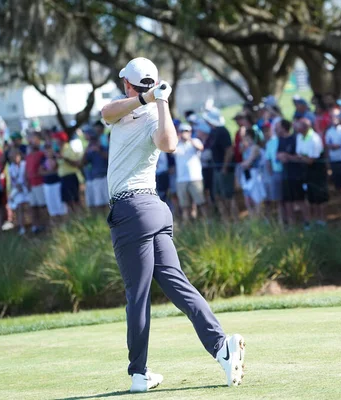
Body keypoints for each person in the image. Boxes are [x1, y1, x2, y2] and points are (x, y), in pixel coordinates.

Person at [101, 57, 245, 392]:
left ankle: (139, 372)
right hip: (153, 210)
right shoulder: (126, 109)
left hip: (132, 210)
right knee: (178, 286)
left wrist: (161, 102)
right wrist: (150, 98)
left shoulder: (154, 114)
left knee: (137, 295)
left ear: (127, 83)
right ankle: (222, 346)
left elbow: (169, 144)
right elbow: (106, 113)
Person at [203, 108, 237, 222]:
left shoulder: (223, 131)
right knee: (217, 195)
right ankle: (225, 219)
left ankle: (233, 219)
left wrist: (224, 167)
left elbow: (229, 150)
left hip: (224, 169)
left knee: (228, 195)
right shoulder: (214, 132)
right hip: (216, 168)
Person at [292, 118, 328, 227]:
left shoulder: (314, 138)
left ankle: (322, 220)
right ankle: (315, 220)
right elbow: (300, 155)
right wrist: (303, 157)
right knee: (311, 197)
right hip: (306, 172)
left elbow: (311, 160)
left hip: (317, 171)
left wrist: (301, 157)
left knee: (320, 197)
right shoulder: (299, 137)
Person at [174, 123, 206, 223]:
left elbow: (201, 148)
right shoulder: (176, 144)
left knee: (201, 203)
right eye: (182, 131)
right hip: (181, 179)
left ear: (190, 132)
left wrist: (189, 139)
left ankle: (207, 223)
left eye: (186, 131)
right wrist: (177, 139)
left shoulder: (195, 141)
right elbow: (170, 150)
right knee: (185, 206)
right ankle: (187, 225)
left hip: (195, 178)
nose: (184, 133)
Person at [277, 119, 304, 226]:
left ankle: (306, 222)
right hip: (285, 175)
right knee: (287, 200)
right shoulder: (280, 140)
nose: (276, 129)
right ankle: (292, 223)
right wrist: (280, 156)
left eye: (278, 126)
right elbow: (278, 154)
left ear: (284, 128)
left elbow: (300, 156)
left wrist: (288, 157)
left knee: (300, 199)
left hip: (296, 174)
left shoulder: (295, 138)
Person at [55, 131, 83, 214]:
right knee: (67, 200)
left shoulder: (69, 149)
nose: (55, 141)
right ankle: (73, 218)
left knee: (75, 199)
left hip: (71, 177)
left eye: (57, 139)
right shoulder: (59, 150)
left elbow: (76, 163)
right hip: (63, 178)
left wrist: (64, 158)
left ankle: (80, 216)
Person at [263, 117, 285, 225]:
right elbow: (268, 160)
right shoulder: (271, 143)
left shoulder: (287, 139)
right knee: (279, 201)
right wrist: (272, 173)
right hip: (276, 173)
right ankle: (281, 222)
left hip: (288, 173)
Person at [240, 128, 266, 217]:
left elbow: (247, 163)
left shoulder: (255, 148)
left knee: (257, 199)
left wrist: (243, 164)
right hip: (248, 176)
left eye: (247, 138)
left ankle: (257, 219)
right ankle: (252, 219)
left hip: (256, 175)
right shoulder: (247, 148)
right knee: (248, 199)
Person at [82, 129, 109, 211]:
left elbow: (109, 158)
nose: (93, 143)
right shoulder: (90, 151)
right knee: (99, 204)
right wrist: (86, 151)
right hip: (96, 179)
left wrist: (99, 150)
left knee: (108, 202)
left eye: (94, 140)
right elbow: (83, 163)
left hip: (106, 178)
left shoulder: (104, 148)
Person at [25, 133, 47, 232]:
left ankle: (45, 225)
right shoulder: (28, 156)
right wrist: (27, 182)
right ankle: (36, 226)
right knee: (33, 206)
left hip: (40, 183)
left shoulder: (41, 154)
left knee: (42, 206)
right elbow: (26, 171)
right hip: (31, 185)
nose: (31, 142)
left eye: (33, 140)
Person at [40, 143, 66, 225]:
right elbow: (41, 171)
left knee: (60, 206)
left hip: (57, 184)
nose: (48, 152)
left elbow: (57, 169)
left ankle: (64, 224)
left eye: (49, 150)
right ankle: (56, 226)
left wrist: (48, 172)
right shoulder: (42, 160)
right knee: (52, 207)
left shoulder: (57, 158)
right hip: (47, 185)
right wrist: (50, 172)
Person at [325, 108, 341, 209]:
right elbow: (328, 147)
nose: (334, 118)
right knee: (338, 186)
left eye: (336, 116)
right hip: (334, 161)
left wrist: (339, 146)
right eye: (332, 116)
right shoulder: (329, 131)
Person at [8, 149, 30, 235]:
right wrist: (16, 186)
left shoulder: (25, 164)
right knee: (19, 207)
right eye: (12, 157)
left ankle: (33, 224)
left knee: (30, 206)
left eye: (15, 156)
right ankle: (22, 227)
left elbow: (27, 175)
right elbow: (12, 180)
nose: (14, 158)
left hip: (27, 187)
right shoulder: (11, 167)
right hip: (18, 189)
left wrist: (26, 183)